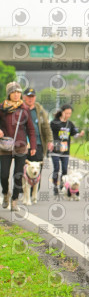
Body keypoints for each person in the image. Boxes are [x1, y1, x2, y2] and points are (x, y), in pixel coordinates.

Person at [0, 82, 37, 211]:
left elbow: (31, 129)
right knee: (4, 174)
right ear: (9, 94)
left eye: (18, 92)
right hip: (5, 146)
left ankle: (14, 200)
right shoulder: (2, 108)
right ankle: (6, 193)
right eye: (13, 92)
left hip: (21, 146)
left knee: (18, 174)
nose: (16, 94)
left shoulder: (24, 109)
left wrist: (33, 146)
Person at [50, 104, 85, 196]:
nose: (68, 115)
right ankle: (55, 186)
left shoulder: (70, 124)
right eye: (66, 113)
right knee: (56, 168)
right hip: (55, 149)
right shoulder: (54, 122)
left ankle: (62, 185)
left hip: (65, 150)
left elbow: (74, 134)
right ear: (62, 112)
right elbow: (49, 133)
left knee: (65, 169)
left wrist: (80, 135)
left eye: (69, 113)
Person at [23, 87, 54, 167]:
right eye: (28, 96)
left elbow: (46, 127)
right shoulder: (20, 109)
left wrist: (50, 140)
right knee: (22, 169)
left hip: (38, 143)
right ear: (24, 97)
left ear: (35, 97)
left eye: (32, 96)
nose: (30, 99)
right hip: (23, 144)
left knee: (36, 169)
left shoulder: (40, 110)